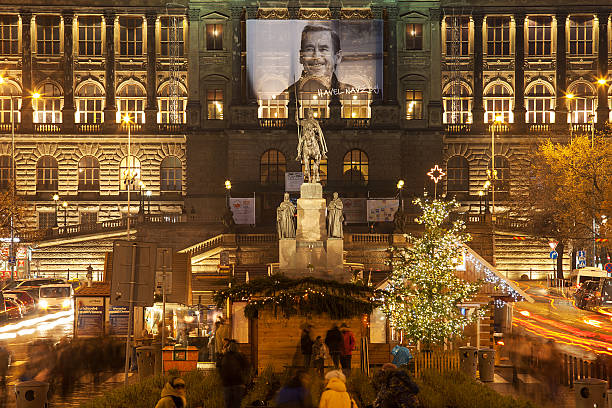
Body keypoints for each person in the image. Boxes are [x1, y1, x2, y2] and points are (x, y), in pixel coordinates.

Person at [284, 24, 355, 97]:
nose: (316, 56)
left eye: (323, 49)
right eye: (309, 49)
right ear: (301, 57)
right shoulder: (286, 96)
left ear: (337, 57)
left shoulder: (350, 93)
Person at [219, 340, 249, 408]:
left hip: (227, 385)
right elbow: (247, 368)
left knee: (228, 405)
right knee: (237, 405)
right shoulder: (240, 356)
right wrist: (245, 382)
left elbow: (219, 368)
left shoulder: (224, 357)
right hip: (238, 384)